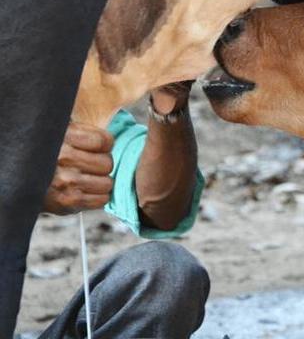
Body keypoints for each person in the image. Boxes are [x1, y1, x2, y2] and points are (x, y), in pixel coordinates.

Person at [38, 82, 209, 339]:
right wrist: (25, 185)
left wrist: (169, 97)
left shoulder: (38, 83)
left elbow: (160, 209)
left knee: (164, 273)